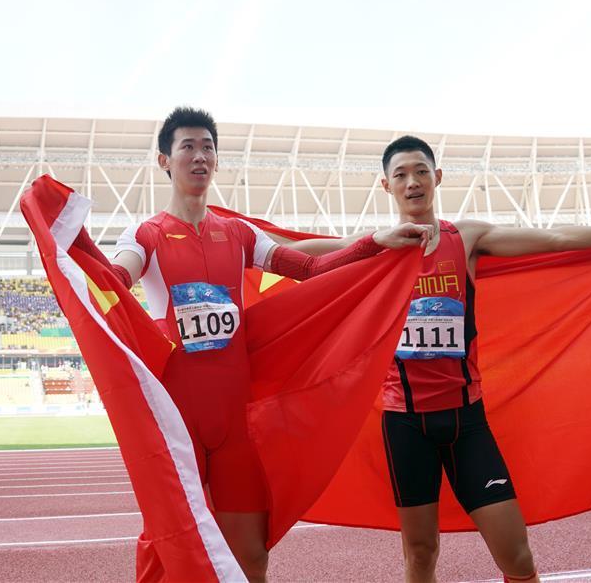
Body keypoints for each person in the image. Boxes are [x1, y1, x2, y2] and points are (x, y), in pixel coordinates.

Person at [277, 135, 591, 583]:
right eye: (401, 175)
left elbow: (556, 237)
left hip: (467, 422)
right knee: (421, 554)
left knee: (516, 555)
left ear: (437, 177)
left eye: (421, 171)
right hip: (405, 425)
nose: (412, 182)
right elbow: (292, 256)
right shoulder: (374, 248)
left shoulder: (465, 238)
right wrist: (234, 237)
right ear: (386, 186)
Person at [105, 108, 433, 582]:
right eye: (187, 147)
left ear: (216, 160)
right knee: (168, 548)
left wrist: (375, 241)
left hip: (235, 421)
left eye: (207, 147)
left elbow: (312, 269)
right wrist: (80, 268)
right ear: (164, 161)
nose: (199, 157)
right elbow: (117, 277)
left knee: (252, 555)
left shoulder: (239, 235)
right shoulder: (146, 234)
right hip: (178, 421)